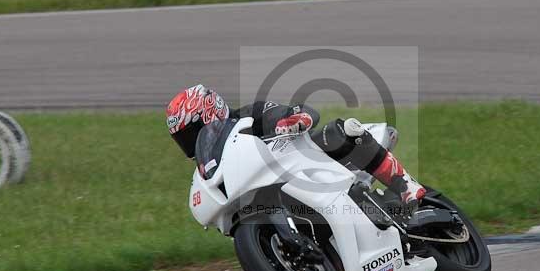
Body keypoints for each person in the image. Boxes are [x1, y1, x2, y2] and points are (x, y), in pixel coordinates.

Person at [166, 84, 425, 204]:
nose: (190, 143)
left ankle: (405, 185)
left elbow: (304, 110)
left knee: (339, 131)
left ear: (210, 112)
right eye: (183, 140)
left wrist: (295, 120)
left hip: (305, 160)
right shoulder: (214, 163)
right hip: (276, 184)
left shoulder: (248, 115)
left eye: (192, 133)